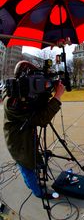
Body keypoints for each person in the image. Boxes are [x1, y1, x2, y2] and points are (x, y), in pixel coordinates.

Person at [2, 60, 65, 199]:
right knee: (27, 166)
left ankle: (37, 178)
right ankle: (38, 192)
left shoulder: (27, 91)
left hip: (28, 137)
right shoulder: (12, 100)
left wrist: (47, 87)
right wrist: (57, 96)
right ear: (23, 77)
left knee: (33, 160)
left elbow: (38, 105)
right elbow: (40, 118)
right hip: (19, 143)